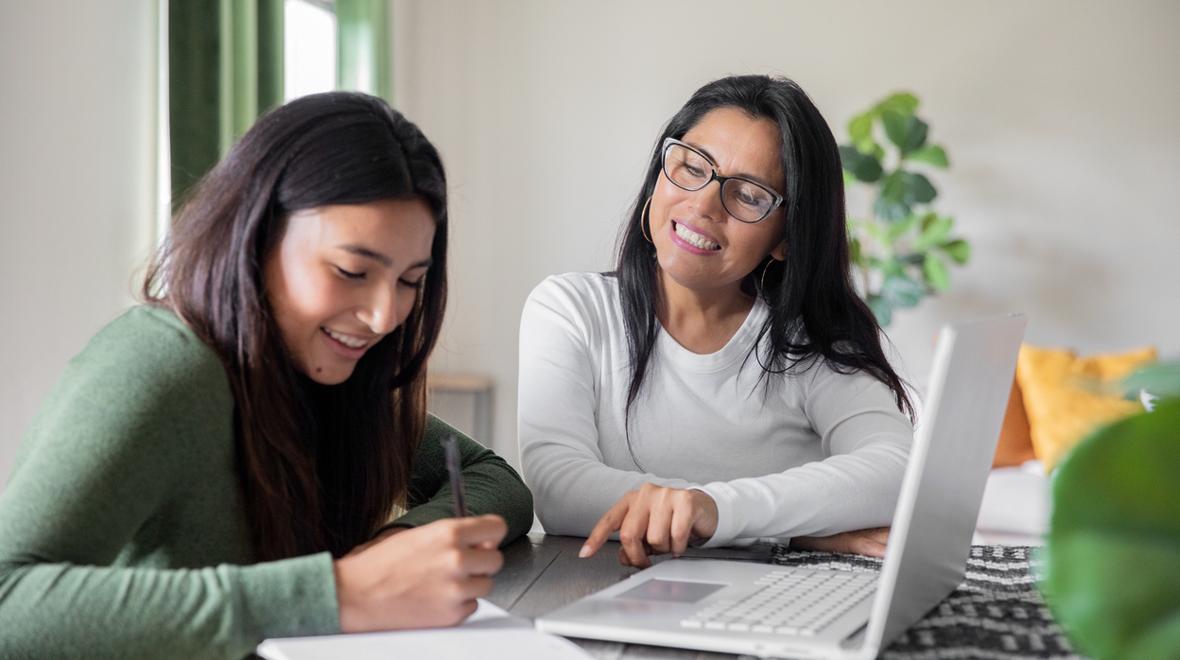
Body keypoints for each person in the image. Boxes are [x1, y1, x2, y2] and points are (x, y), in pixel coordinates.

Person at [0, 92, 533, 658]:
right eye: (352, 270)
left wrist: (397, 546)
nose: (384, 316)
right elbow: (10, 602)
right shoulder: (160, 367)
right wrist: (336, 594)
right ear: (256, 235)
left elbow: (492, 478)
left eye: (409, 280)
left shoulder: (328, 372)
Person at [518, 75, 914, 568]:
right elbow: (560, 491)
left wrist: (719, 512)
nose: (703, 204)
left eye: (748, 195)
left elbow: (897, 471)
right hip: (603, 591)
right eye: (692, 166)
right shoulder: (569, 309)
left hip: (771, 609)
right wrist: (783, 530)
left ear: (785, 237)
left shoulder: (806, 342)